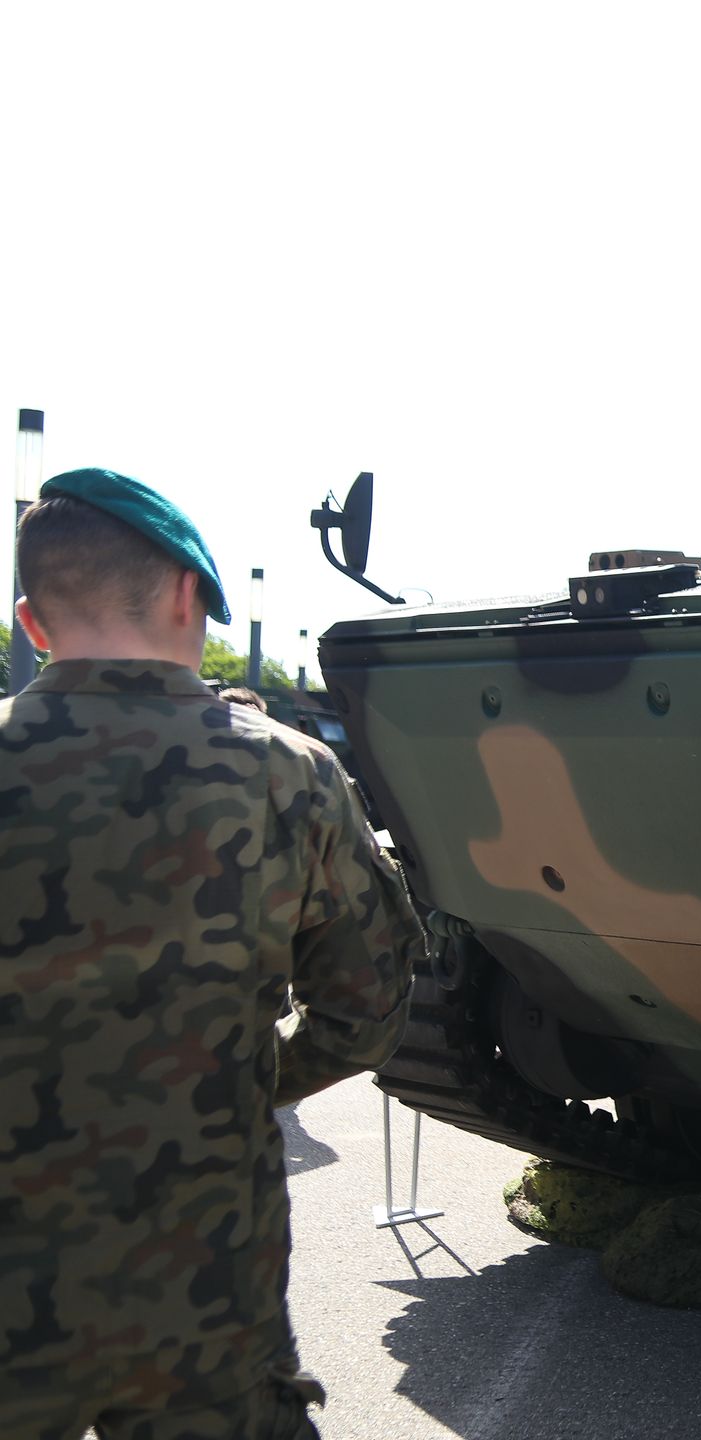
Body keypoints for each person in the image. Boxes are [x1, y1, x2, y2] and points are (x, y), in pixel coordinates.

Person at [0, 469, 426, 1440]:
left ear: (31, 621)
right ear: (190, 594)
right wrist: (237, 1081)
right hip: (201, 1298)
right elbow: (367, 1011)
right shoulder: (288, 775)